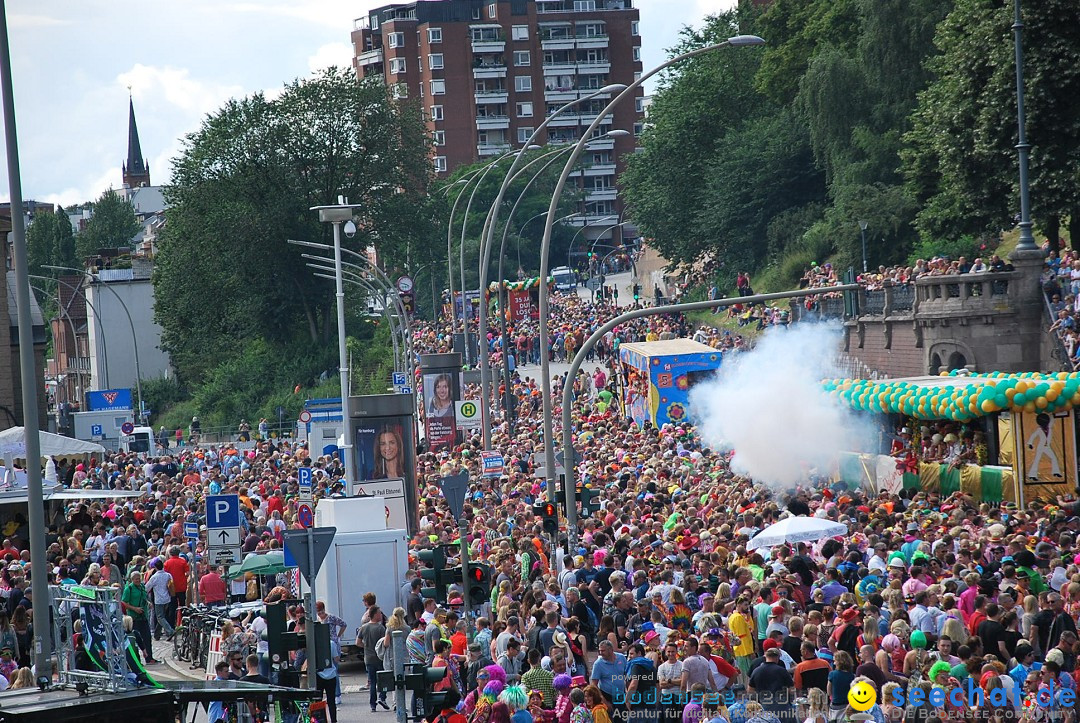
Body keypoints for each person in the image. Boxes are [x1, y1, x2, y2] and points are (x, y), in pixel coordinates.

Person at [121, 570, 157, 665]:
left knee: (147, 637)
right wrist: (135, 608)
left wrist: (148, 603)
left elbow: (144, 597)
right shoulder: (129, 589)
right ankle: (136, 660)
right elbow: (124, 602)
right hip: (133, 618)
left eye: (139, 579)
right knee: (135, 639)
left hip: (143, 616)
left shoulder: (141, 587)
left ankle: (149, 658)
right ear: (132, 579)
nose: (138, 580)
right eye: (136, 579)